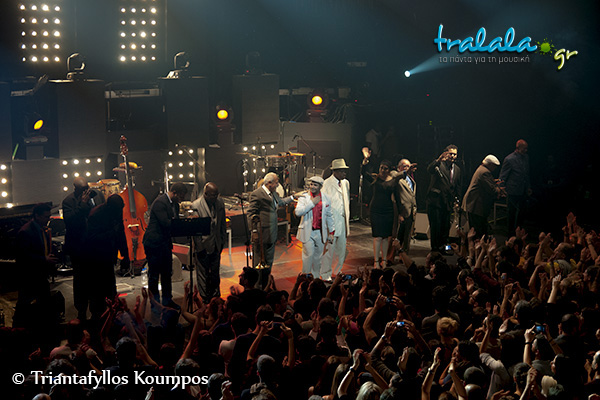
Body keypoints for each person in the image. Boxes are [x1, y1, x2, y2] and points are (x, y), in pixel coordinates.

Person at [62, 177, 104, 321]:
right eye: (82, 189)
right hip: (79, 248)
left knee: (96, 280)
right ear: (75, 188)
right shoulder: (69, 201)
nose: (86, 191)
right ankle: (81, 310)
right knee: (80, 281)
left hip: (95, 245)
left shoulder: (97, 195)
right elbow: (70, 222)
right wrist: (82, 205)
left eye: (87, 188)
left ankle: (96, 310)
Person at [247, 172, 297, 289]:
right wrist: (254, 232)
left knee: (268, 262)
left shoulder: (274, 193)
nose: (278, 185)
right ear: (269, 183)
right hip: (261, 234)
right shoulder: (257, 194)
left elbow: (281, 202)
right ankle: (257, 287)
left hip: (272, 233)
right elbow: (250, 214)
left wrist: (293, 197)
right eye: (276, 183)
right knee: (258, 262)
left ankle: (265, 285)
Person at [143, 182, 188, 308]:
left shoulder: (175, 204)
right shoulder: (160, 203)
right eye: (181, 196)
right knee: (154, 275)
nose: (182, 200)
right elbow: (166, 223)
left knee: (167, 273)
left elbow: (174, 222)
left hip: (164, 243)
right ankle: (155, 303)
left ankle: (167, 301)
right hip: (154, 243)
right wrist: (182, 224)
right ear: (175, 193)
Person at [13, 203, 58, 329]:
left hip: (39, 273)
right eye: (46, 216)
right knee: (24, 304)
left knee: (41, 302)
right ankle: (18, 330)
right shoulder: (26, 232)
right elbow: (23, 257)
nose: (48, 219)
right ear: (37, 216)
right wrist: (44, 259)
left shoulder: (40, 229)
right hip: (30, 275)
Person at [85, 194, 129, 320]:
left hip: (108, 255)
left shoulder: (115, 211)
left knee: (110, 286)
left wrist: (125, 255)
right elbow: (92, 238)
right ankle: (98, 316)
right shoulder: (96, 214)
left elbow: (121, 234)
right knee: (97, 289)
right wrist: (112, 233)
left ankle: (112, 313)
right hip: (96, 257)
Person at [361, 148, 400, 268]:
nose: (383, 170)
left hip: (388, 211)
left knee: (386, 237)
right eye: (381, 168)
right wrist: (366, 160)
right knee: (377, 236)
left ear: (389, 170)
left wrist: (400, 213)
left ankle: (384, 260)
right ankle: (376, 261)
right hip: (376, 210)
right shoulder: (375, 179)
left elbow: (397, 198)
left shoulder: (393, 182)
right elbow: (364, 173)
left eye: (385, 168)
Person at [192, 182, 227, 302]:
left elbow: (222, 224)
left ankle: (216, 296)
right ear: (205, 194)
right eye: (213, 195)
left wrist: (222, 241)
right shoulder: (196, 205)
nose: (215, 197)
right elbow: (196, 231)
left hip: (216, 243)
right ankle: (205, 298)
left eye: (217, 195)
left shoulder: (220, 202)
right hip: (203, 245)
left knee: (215, 272)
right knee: (203, 273)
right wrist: (199, 247)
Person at [295, 176, 335, 281]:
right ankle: (305, 279)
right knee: (308, 256)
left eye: (315, 185)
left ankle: (316, 279)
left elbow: (329, 216)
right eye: (311, 184)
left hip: (320, 232)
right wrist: (312, 203)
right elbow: (298, 212)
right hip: (308, 232)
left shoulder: (326, 198)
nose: (312, 186)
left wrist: (331, 232)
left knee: (318, 258)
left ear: (320, 186)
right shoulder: (304, 197)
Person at [426, 144, 462, 253]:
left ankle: (445, 249)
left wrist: (457, 201)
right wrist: (438, 160)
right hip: (436, 202)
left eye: (455, 154)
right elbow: (429, 170)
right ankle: (435, 250)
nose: (453, 156)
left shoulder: (457, 169)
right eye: (451, 154)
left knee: (445, 228)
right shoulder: (438, 165)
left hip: (448, 203)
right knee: (436, 227)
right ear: (446, 153)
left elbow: (458, 186)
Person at [321, 158, 350, 279]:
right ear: (335, 171)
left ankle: (337, 272)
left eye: (345, 171)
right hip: (331, 221)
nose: (344, 173)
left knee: (341, 249)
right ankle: (325, 273)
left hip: (342, 220)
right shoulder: (326, 184)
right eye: (342, 171)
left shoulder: (345, 183)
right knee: (329, 249)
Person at [462, 155, 504, 237]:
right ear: (490, 164)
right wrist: (500, 189)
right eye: (494, 166)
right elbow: (492, 190)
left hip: (473, 205)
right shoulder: (485, 172)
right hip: (475, 206)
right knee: (478, 231)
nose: (495, 168)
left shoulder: (481, 169)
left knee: (476, 229)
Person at [499, 139, 531, 234]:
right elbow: (503, 176)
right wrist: (501, 189)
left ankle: (519, 232)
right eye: (524, 148)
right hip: (512, 191)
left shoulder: (526, 157)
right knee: (511, 214)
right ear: (518, 148)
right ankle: (511, 234)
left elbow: (526, 174)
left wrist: (528, 187)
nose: (526, 150)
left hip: (523, 190)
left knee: (522, 213)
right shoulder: (509, 159)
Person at [392, 158, 417, 254]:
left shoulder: (410, 179)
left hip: (410, 211)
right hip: (401, 211)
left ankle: (405, 253)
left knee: (407, 235)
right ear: (399, 168)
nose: (407, 168)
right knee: (398, 234)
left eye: (409, 166)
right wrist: (406, 172)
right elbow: (395, 177)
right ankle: (393, 253)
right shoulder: (395, 174)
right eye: (405, 166)